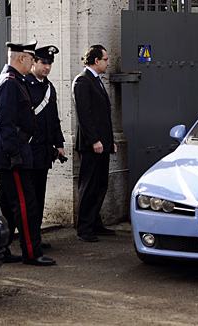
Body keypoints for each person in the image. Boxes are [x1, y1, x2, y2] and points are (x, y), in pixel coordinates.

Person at [0, 40, 57, 266]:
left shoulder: (13, 80)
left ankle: (0, 249)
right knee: (25, 204)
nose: (34, 62)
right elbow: (5, 122)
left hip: (13, 149)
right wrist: (14, 154)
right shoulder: (10, 83)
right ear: (21, 58)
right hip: (12, 152)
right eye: (32, 59)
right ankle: (31, 253)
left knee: (6, 203)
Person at [72, 44, 117, 242]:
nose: (108, 63)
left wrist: (111, 141)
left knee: (101, 184)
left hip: (103, 144)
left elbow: (104, 116)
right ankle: (84, 227)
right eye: (106, 59)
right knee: (89, 185)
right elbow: (85, 115)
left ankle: (95, 222)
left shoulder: (97, 81)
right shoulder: (82, 81)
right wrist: (95, 141)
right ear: (96, 61)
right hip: (91, 145)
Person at [25, 45, 66, 251]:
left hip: (43, 153)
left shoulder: (49, 87)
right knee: (27, 198)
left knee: (39, 196)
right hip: (28, 152)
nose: (47, 67)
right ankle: (26, 238)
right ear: (34, 62)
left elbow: (54, 119)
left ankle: (36, 236)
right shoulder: (25, 85)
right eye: (43, 63)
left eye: (50, 63)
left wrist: (59, 144)